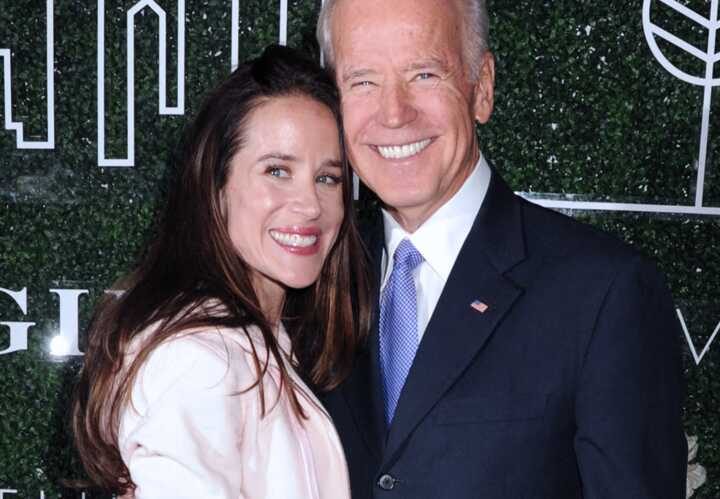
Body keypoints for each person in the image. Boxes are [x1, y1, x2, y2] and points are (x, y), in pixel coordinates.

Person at [316, 1, 687, 498]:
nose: (394, 113)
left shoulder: (604, 293)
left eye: (424, 73)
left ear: (482, 87)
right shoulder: (314, 279)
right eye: (363, 81)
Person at [71, 45, 369, 499]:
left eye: (327, 178)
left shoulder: (258, 341)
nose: (311, 204)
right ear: (218, 186)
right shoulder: (203, 359)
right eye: (277, 170)